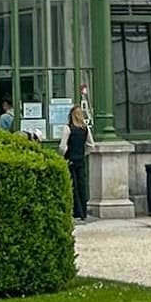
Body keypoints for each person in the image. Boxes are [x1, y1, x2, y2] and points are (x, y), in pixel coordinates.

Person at [64, 91, 95, 221]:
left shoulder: (68, 128)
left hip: (70, 159)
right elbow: (91, 145)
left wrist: (64, 155)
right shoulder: (85, 128)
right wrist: (84, 153)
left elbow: (62, 146)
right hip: (81, 159)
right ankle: (83, 212)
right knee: (82, 185)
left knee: (73, 186)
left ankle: (76, 212)